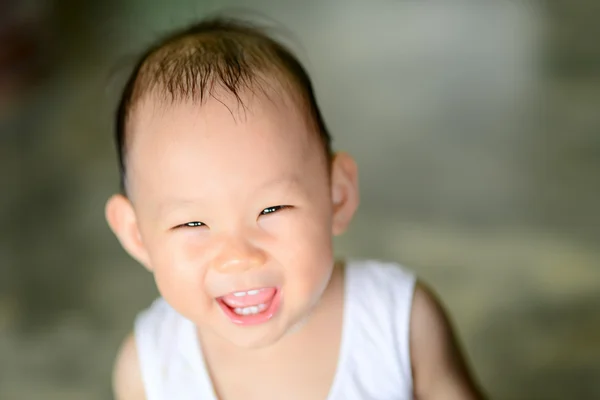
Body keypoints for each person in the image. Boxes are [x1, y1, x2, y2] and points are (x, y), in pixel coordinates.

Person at [105, 17, 486, 400]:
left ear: (337, 195)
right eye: (192, 222)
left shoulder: (399, 325)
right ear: (137, 235)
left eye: (271, 209)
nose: (239, 257)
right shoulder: (150, 371)